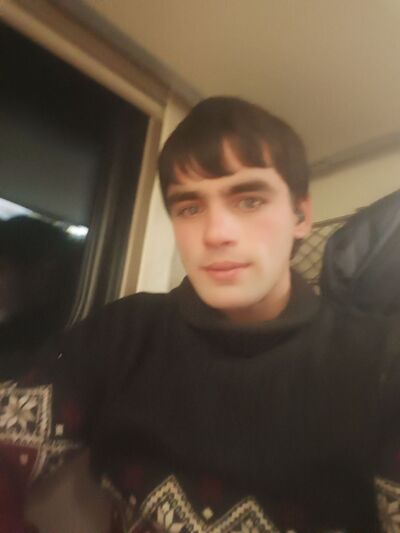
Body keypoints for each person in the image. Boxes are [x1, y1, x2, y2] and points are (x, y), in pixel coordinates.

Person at [0, 96, 399, 533]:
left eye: (249, 201)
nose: (216, 233)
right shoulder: (126, 332)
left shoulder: (382, 359)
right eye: (190, 208)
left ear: (301, 216)